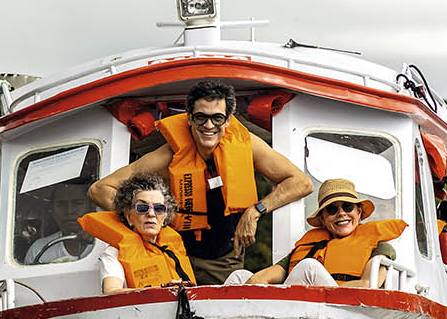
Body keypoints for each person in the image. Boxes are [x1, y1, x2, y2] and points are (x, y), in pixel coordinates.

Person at [88, 79, 312, 284]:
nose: (209, 125)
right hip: (172, 254)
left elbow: (301, 183)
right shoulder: (167, 157)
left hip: (224, 260)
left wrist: (256, 211)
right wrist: (141, 217)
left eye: (217, 118)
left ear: (228, 120)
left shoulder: (247, 146)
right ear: (189, 118)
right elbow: (99, 190)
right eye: (200, 117)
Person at [230, 178, 406, 289]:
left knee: (308, 267)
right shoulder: (309, 245)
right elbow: (267, 275)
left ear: (359, 212)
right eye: (331, 209)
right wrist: (254, 283)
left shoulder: (380, 247)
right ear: (322, 219)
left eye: (347, 206)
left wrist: (316, 287)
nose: (341, 213)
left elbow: (368, 284)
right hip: (301, 304)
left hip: (345, 307)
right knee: (239, 276)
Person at [78, 172, 195, 294]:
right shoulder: (114, 253)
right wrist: (163, 292)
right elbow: (110, 291)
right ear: (128, 217)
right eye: (142, 208)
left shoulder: (173, 249)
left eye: (159, 209)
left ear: (165, 217)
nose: (151, 214)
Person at [24, 182, 96, 264]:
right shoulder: (38, 249)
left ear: (92, 207)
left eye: (78, 203)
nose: (69, 211)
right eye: (61, 205)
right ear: (52, 210)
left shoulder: (104, 244)